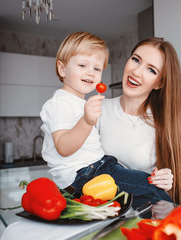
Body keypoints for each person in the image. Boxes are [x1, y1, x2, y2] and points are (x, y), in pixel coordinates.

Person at [40, 32, 172, 208]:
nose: (90, 73)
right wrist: (86, 122)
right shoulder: (59, 103)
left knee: (143, 192)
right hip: (86, 175)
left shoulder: (81, 103)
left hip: (95, 169)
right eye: (82, 65)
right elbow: (63, 147)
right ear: (62, 69)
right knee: (149, 190)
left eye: (97, 69)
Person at [98, 37, 181, 205]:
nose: (136, 72)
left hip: (142, 216)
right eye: (136, 60)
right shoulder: (98, 109)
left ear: (159, 83)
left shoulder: (162, 125)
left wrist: (166, 182)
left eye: (151, 70)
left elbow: (168, 195)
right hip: (100, 211)